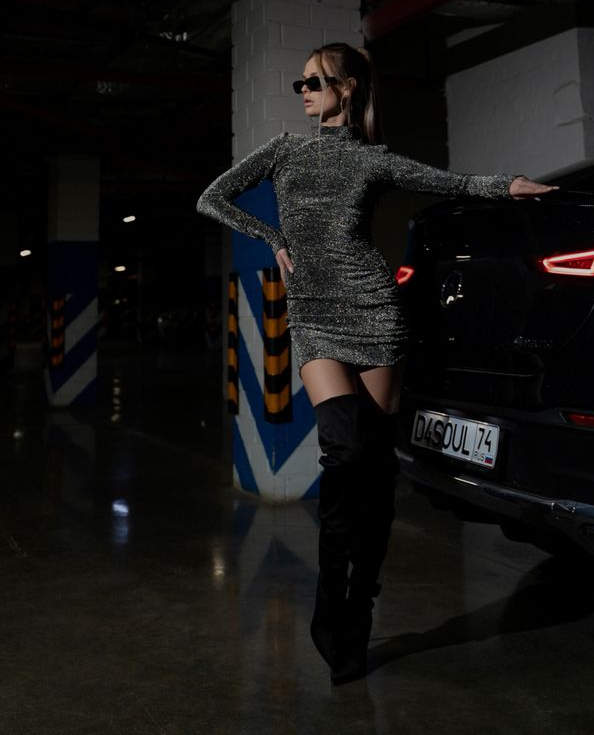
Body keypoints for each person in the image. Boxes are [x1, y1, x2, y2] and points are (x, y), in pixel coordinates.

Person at [196, 41, 556, 685]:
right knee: (345, 452)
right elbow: (213, 198)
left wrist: (512, 186)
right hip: (312, 316)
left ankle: (360, 602)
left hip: (376, 310)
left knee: (376, 464)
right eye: (299, 82)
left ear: (349, 87)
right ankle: (332, 605)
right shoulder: (283, 149)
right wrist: (275, 239)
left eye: (314, 81)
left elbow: (452, 183)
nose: (303, 92)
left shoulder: (375, 161)